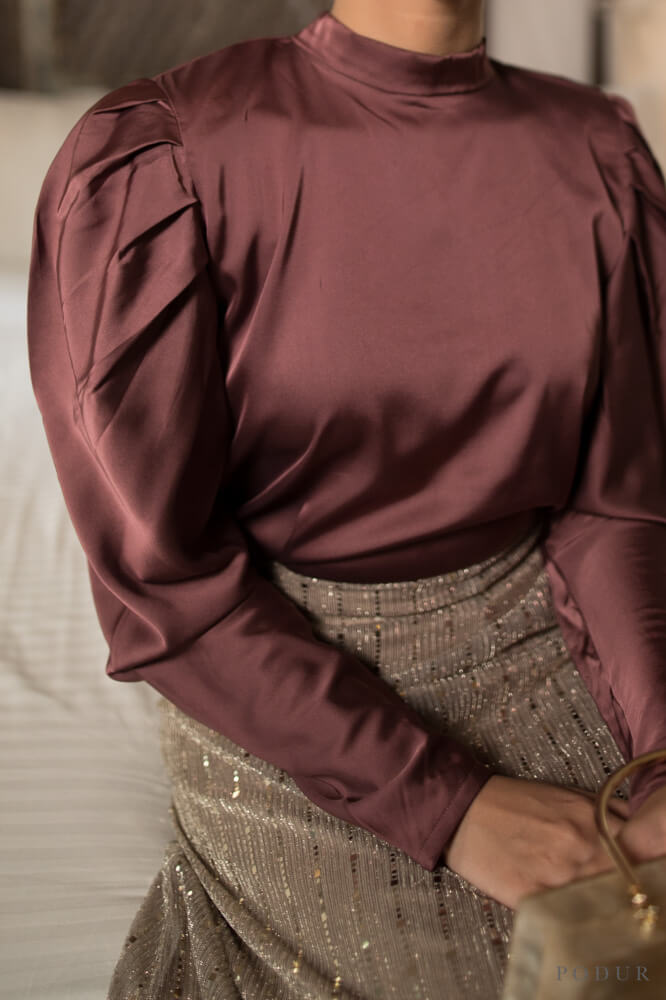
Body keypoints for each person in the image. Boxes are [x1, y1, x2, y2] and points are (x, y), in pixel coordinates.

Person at [27, 0, 666, 996]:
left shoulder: (595, 147)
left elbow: (613, 508)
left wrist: (661, 750)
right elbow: (167, 586)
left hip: (543, 628)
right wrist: (451, 805)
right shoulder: (167, 154)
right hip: (284, 677)